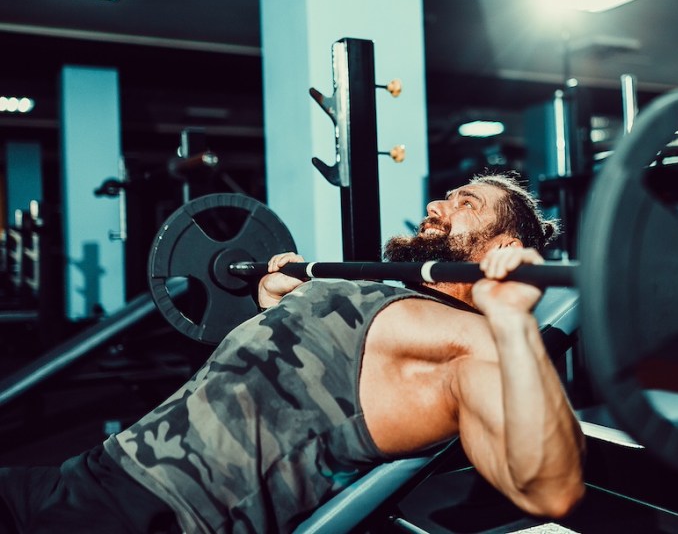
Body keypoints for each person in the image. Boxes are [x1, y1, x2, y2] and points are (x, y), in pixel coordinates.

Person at [0, 172, 585, 534]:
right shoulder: (380, 292)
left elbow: (552, 487)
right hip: (92, 471)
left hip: (157, 515)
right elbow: (285, 388)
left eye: (466, 204)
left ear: (504, 245)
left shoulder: (470, 342)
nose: (441, 203)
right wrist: (270, 302)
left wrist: (511, 324)